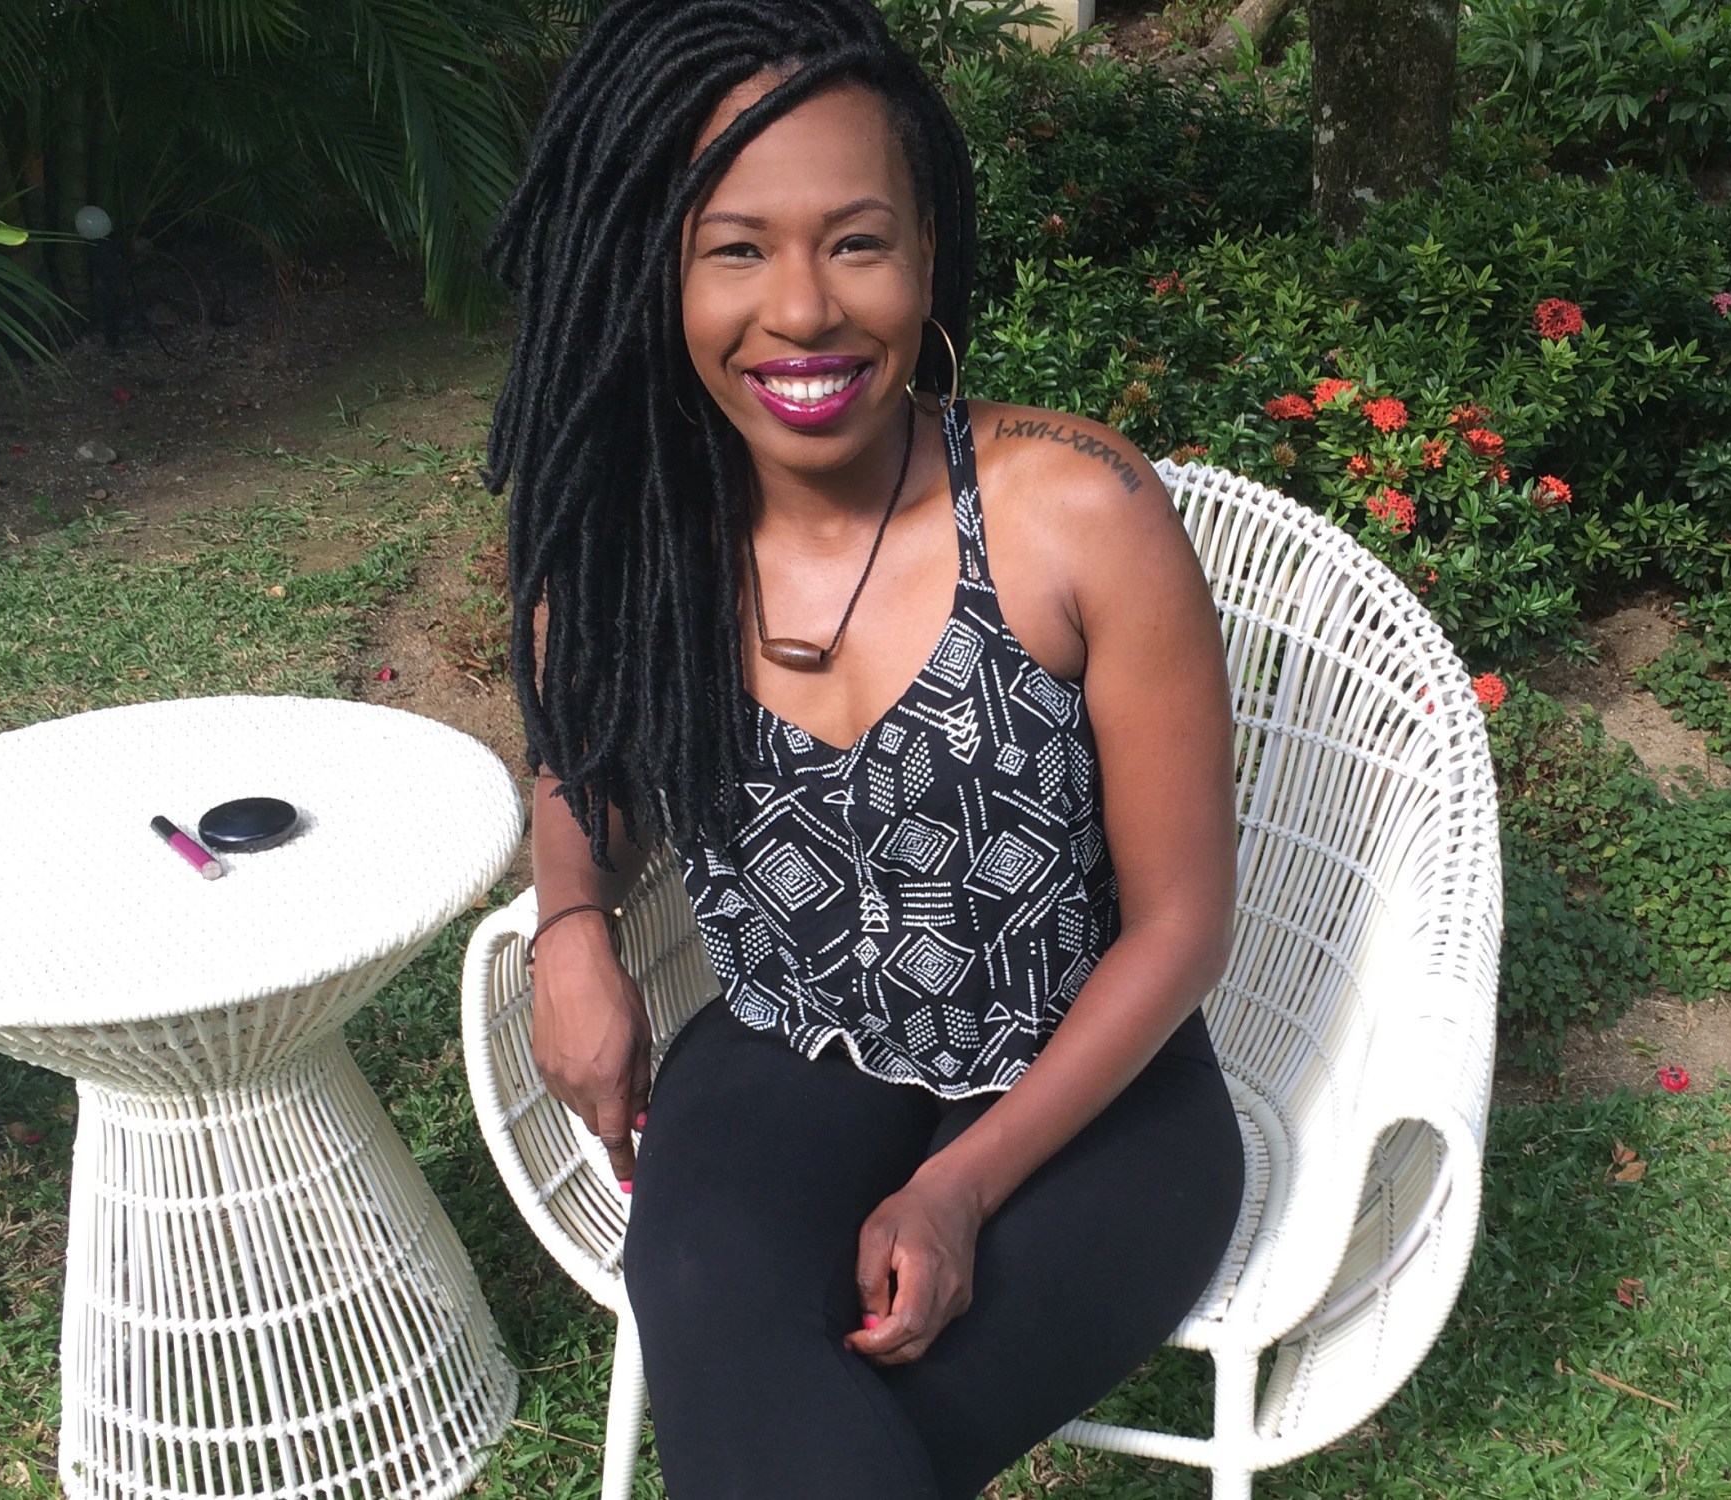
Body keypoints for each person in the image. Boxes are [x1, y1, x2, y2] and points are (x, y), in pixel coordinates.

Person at [485, 4, 1244, 1496]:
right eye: (735, 249)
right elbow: (585, 765)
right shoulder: (635, 540)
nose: (804, 309)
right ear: (656, 271)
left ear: (927, 255)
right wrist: (571, 922)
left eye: (856, 242)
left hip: (1091, 1087)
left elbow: (1183, 925)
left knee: (803, 1443)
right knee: (723, 1324)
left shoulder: (1074, 512)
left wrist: (959, 1187)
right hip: (786, 1048)